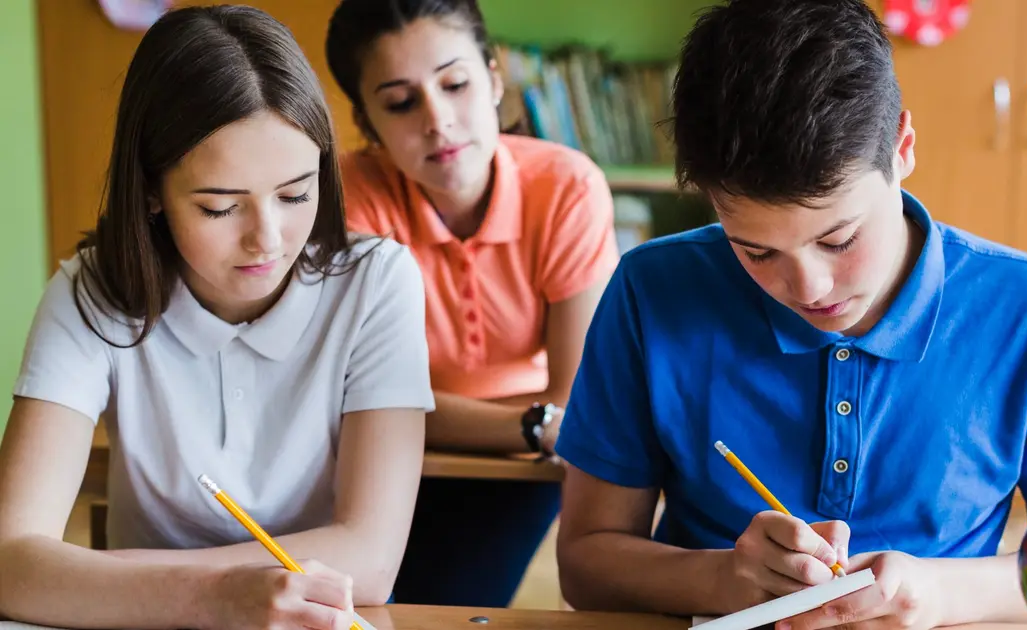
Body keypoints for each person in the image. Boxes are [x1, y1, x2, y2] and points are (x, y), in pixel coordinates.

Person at [553, 0, 1027, 628]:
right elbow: (584, 565)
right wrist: (719, 579)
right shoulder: (653, 289)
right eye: (756, 250)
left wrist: (938, 594)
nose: (809, 287)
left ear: (902, 146)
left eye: (838, 239)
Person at [0, 6, 432, 629]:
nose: (268, 239)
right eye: (220, 208)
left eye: (295, 194)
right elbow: (13, 562)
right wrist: (212, 598)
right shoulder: (93, 291)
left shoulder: (376, 283)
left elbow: (371, 557)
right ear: (150, 190)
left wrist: (126, 580)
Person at [324, 0, 619, 608]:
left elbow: (579, 402)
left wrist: (542, 425)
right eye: (401, 102)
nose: (438, 120)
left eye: (455, 83)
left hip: (518, 468)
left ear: (494, 77)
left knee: (445, 602)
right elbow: (344, 402)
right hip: (382, 455)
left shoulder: (568, 187)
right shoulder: (347, 198)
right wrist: (530, 423)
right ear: (367, 121)